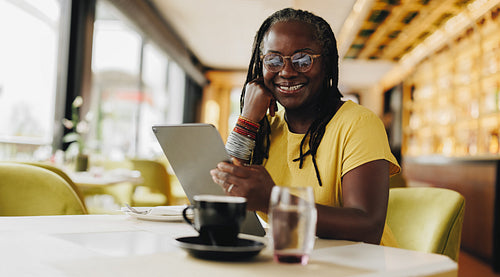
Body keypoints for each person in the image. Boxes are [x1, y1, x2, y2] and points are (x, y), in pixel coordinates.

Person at [210, 8, 400, 246]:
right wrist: (247, 118)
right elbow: (223, 197)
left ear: (326, 63)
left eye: (303, 60)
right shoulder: (265, 130)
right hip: (294, 260)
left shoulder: (358, 123)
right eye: (274, 60)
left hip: (364, 265)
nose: (287, 72)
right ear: (261, 66)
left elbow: (368, 227)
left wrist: (275, 201)